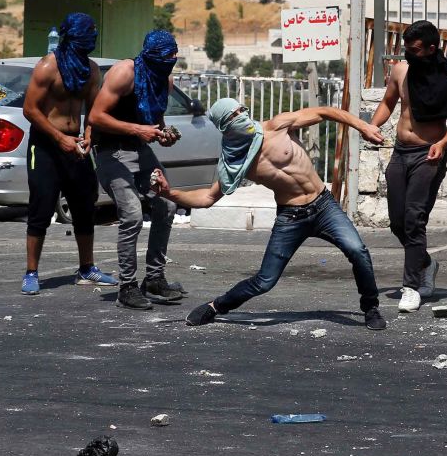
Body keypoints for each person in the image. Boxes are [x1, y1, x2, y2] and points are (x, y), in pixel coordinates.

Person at [155, 98, 388, 330]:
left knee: (357, 250)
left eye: (241, 111)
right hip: (291, 217)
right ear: (224, 127)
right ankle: (216, 306)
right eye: (233, 116)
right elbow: (206, 198)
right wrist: (169, 192)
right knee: (264, 282)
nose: (241, 117)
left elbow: (325, 112)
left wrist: (364, 126)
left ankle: (370, 307)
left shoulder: (277, 126)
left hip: (323, 205)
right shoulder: (236, 161)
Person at [370, 20, 447, 313]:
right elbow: (388, 102)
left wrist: (443, 144)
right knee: (397, 221)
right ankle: (425, 262)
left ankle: (411, 287)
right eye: (406, 50)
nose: (408, 55)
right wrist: (371, 126)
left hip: (429, 154)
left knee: (414, 219)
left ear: (431, 49)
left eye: (414, 50)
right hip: (400, 154)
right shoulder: (401, 71)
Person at [20, 12, 117, 295]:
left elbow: (93, 111)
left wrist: (88, 137)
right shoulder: (48, 66)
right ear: (74, 36)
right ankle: (31, 272)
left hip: (76, 147)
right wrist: (59, 137)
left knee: (85, 208)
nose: (93, 38)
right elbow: (30, 109)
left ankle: (87, 269)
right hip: (46, 146)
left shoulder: (92, 69)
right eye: (88, 33)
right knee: (40, 209)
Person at [89, 30, 185, 310]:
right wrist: (136, 129)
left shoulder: (164, 80)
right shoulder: (124, 73)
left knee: (166, 204)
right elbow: (96, 116)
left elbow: (156, 123)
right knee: (131, 213)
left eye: (174, 56)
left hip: (140, 150)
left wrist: (164, 135)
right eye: (167, 56)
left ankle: (154, 279)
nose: (172, 61)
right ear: (152, 54)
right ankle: (127, 288)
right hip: (112, 151)